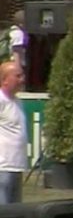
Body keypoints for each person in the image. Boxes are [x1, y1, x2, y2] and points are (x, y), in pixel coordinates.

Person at [0, 62, 27, 204]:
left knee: (16, 214)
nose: (22, 79)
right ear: (5, 79)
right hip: (2, 167)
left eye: (22, 75)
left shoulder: (17, 101)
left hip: (16, 165)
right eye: (18, 76)